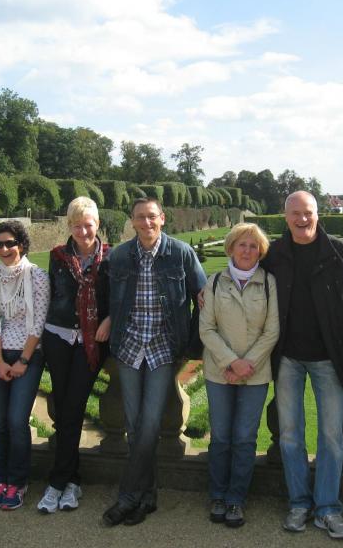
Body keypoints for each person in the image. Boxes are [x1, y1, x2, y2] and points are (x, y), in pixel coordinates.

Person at [261, 190, 343, 540]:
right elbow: (248, 283)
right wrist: (210, 289)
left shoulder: (339, 251)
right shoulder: (274, 253)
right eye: (295, 213)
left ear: (318, 214)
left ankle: (327, 508)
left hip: (329, 357)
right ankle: (299, 503)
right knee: (290, 435)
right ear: (285, 216)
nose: (302, 218)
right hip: (287, 357)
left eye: (307, 212)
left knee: (332, 437)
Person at [102, 197, 207, 527]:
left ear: (162, 218)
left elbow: (204, 298)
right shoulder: (119, 255)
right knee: (134, 426)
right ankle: (147, 497)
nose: (146, 223)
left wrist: (190, 343)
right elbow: (108, 299)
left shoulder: (181, 253)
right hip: (129, 346)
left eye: (152, 216)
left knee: (149, 424)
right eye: (140, 217)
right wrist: (108, 319)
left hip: (163, 347)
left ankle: (127, 496)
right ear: (132, 221)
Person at [200, 223, 280, 528]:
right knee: (221, 437)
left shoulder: (269, 283)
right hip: (220, 371)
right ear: (231, 248)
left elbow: (272, 331)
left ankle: (236, 498)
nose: (247, 251)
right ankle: (218, 495)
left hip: (255, 374)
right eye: (242, 245)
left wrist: (247, 364)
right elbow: (207, 329)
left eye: (253, 246)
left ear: (260, 251)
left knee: (245, 439)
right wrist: (232, 362)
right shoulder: (214, 282)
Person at [37, 197, 111, 514]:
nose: (83, 231)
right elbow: (51, 296)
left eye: (88, 225)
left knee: (73, 406)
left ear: (97, 225)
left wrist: (109, 319)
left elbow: (119, 297)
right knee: (64, 406)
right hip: (58, 337)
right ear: (69, 226)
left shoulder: (111, 258)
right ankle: (71, 481)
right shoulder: (57, 256)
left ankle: (58, 481)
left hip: (91, 341)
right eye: (77, 225)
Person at [0, 220, 50, 511]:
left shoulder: (37, 276)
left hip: (28, 354)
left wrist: (23, 360)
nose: (4, 249)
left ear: (21, 245)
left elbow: (38, 322)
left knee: (16, 420)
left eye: (10, 243)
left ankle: (19, 482)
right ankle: (0, 480)